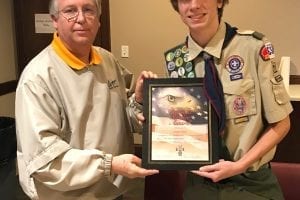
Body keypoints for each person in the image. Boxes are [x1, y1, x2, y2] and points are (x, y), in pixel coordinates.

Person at [15, 0, 159, 199]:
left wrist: (140, 100)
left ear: (98, 21)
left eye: (88, 10)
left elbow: (124, 118)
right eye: (70, 11)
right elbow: (45, 161)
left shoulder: (107, 60)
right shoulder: (38, 78)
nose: (81, 18)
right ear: (55, 20)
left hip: (115, 190)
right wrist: (109, 164)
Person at [165, 0, 293, 199]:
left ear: (219, 2)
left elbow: (282, 123)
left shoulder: (253, 47)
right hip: (201, 183)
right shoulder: (176, 61)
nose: (194, 5)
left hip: (252, 182)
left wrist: (238, 166)